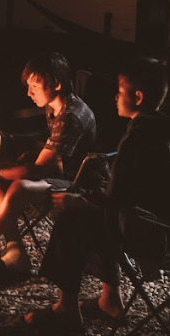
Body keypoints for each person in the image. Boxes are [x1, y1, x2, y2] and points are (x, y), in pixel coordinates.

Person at [23, 55, 170, 334]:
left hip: (151, 234)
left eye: (120, 91)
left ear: (137, 97)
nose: (115, 96)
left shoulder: (138, 136)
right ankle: (109, 299)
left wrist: (75, 199)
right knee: (93, 214)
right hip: (161, 228)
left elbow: (114, 200)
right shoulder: (161, 128)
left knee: (72, 215)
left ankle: (66, 309)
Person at [0, 52, 96, 283]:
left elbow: (36, 171)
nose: (29, 92)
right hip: (59, 172)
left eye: (34, 85)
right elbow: (50, 156)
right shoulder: (55, 107)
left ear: (57, 83)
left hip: (78, 183)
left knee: (18, 185)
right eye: (28, 85)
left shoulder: (71, 116)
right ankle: (16, 251)